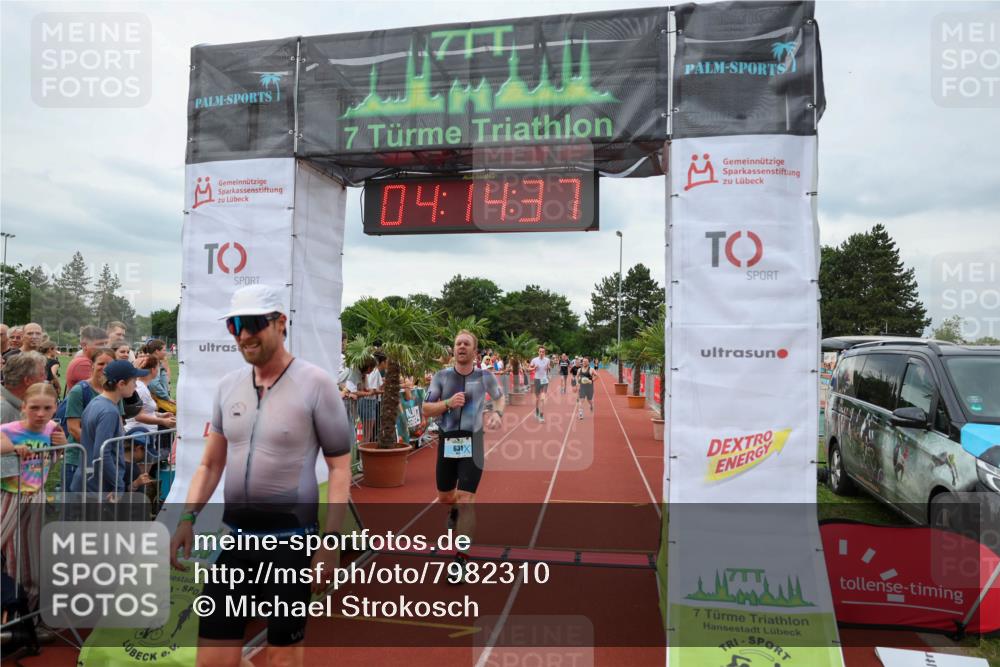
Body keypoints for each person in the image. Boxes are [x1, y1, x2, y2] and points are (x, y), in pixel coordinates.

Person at [169, 284, 352, 667]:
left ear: (280, 323)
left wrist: (330, 542)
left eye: (254, 323)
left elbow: (339, 467)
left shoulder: (316, 384)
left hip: (290, 544)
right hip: (236, 543)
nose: (244, 334)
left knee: (282, 659)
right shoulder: (227, 387)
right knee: (212, 661)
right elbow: (210, 464)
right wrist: (186, 517)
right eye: (235, 325)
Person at [423, 329, 505, 582]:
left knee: (467, 498)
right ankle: (453, 511)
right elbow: (426, 409)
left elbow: (500, 399)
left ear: (474, 350)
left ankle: (461, 558)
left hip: (474, 441)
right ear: (453, 349)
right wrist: (447, 403)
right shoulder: (441, 376)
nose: (461, 347)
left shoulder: (485, 376)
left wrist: (497, 414)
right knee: (446, 497)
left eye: (466, 344)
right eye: (458, 343)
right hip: (448, 441)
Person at [1, 383, 67, 609]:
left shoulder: (53, 429)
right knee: (9, 549)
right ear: (23, 407)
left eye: (47, 408)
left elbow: (56, 456)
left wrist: (64, 444)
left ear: (55, 408)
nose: (40, 414)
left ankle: (24, 612)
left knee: (28, 554)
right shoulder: (9, 429)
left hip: (35, 496)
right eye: (34, 408)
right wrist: (9, 447)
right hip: (8, 497)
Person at [70, 360, 148, 496]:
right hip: (97, 486)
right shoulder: (109, 411)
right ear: (121, 384)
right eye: (134, 381)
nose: (135, 385)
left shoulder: (97, 402)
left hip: (89, 481)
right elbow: (102, 453)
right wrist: (118, 484)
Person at [62, 348, 116, 488]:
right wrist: (99, 449)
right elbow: (73, 428)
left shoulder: (114, 391)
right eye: (100, 364)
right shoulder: (79, 391)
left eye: (109, 364)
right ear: (92, 365)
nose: (104, 368)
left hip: (103, 459)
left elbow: (118, 424)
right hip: (78, 459)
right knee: (73, 505)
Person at [1, 353, 47, 425]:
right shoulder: (4, 409)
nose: (45, 379)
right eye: (42, 375)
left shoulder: (21, 404)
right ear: (27, 380)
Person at [64, 326, 109, 396]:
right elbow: (103, 389)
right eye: (100, 344)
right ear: (84, 346)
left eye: (105, 344)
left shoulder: (89, 361)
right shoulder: (83, 364)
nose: (104, 348)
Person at [529, 345, 551, 422]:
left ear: (545, 352)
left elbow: (549, 367)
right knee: (537, 398)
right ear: (538, 352)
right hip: (537, 379)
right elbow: (529, 369)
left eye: (543, 352)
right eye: (540, 351)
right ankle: (537, 410)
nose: (541, 353)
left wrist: (548, 368)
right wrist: (534, 368)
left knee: (542, 398)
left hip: (544, 380)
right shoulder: (534, 360)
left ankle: (541, 415)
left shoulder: (547, 360)